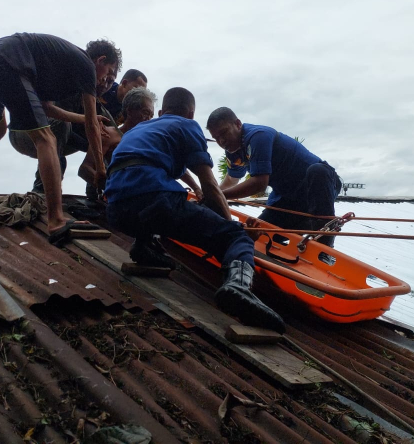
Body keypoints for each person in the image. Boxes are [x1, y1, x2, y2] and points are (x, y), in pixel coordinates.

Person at [104, 88, 285, 332]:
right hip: (154, 200)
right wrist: (231, 227)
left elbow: (176, 173)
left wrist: (196, 191)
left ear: (161, 112)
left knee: (152, 201)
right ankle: (239, 287)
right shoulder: (187, 126)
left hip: (115, 209)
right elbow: (210, 185)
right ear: (191, 113)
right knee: (235, 236)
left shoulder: (140, 130)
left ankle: (143, 246)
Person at [0, 33, 121, 245]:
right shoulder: (86, 65)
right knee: (46, 138)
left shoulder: (59, 68)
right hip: (5, 63)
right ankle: (56, 220)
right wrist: (100, 169)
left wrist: (82, 118)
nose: (106, 81)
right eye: (109, 74)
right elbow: (92, 126)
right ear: (100, 60)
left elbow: (46, 107)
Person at [206, 107, 342, 247]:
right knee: (258, 235)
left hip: (319, 188)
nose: (221, 141)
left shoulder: (258, 136)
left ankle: (325, 247)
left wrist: (216, 195)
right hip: (289, 200)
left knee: (317, 170)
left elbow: (259, 183)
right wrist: (209, 195)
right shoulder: (233, 152)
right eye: (216, 138)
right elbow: (231, 179)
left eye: (224, 133)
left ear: (238, 124)